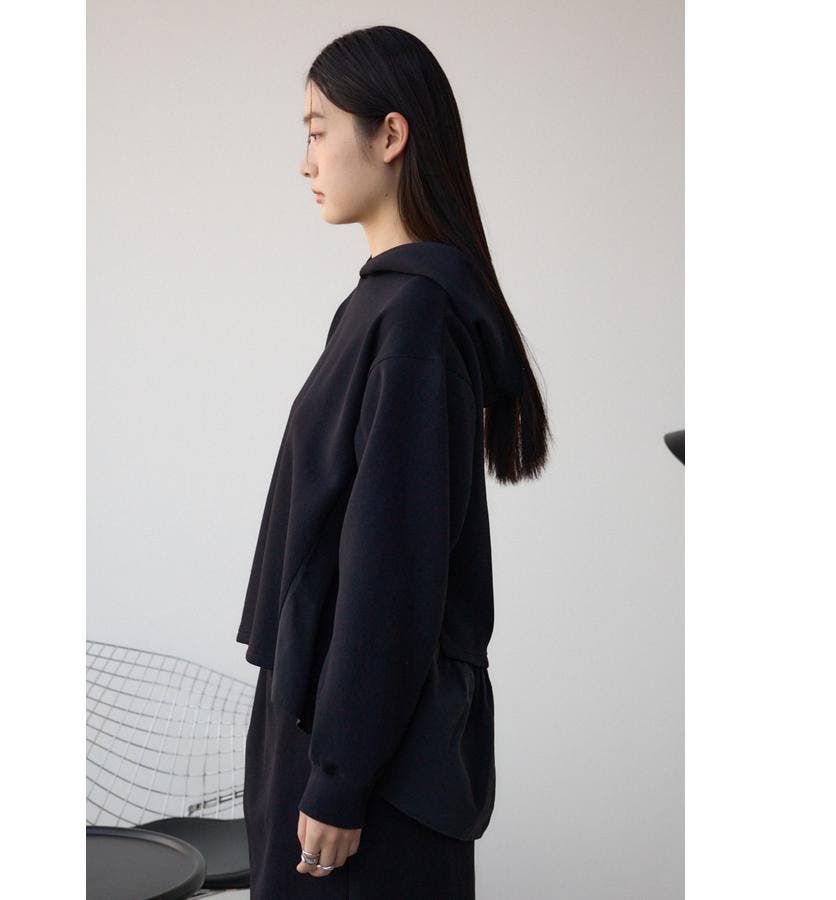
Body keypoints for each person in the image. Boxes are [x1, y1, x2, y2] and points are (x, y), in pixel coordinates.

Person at [237, 25, 552, 898]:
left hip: (369, 769)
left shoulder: (414, 317)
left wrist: (339, 778)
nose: (305, 160)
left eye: (317, 129)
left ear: (390, 135)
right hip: (334, 734)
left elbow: (393, 571)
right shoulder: (382, 309)